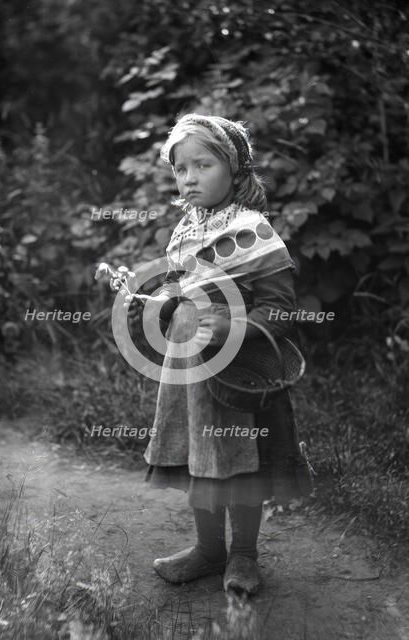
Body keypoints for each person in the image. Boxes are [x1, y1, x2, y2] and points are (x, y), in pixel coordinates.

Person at [125, 114, 313, 595]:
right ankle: (209, 550)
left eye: (202, 165)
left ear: (233, 168)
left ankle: (244, 556)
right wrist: (155, 309)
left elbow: (282, 310)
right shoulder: (185, 232)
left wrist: (236, 325)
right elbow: (182, 292)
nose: (188, 177)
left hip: (238, 374)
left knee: (239, 458)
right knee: (200, 454)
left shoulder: (254, 232)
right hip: (189, 372)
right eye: (180, 168)